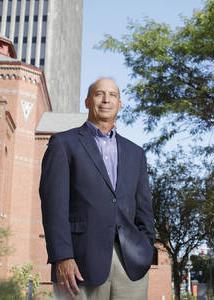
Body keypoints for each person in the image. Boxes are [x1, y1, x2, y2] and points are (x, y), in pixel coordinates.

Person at [39, 77, 155, 300]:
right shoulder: (63, 144)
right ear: (87, 101)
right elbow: (54, 206)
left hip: (131, 264)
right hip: (80, 262)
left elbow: (144, 209)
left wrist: (146, 247)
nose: (106, 100)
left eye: (112, 95)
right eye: (99, 94)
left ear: (120, 104)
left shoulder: (135, 153)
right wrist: (62, 256)